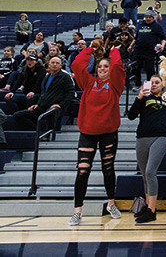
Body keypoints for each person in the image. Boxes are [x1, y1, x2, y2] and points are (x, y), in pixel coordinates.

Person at [69, 41, 126, 226]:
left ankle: (111, 203)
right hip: (88, 132)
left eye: (105, 66)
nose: (102, 69)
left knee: (108, 169)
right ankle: (77, 211)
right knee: (83, 170)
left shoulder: (116, 85)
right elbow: (77, 65)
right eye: (100, 66)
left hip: (108, 133)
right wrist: (90, 50)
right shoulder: (88, 82)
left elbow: (117, 65)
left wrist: (115, 51)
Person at [128, 76, 166, 223]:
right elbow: (131, 115)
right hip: (142, 137)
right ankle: (147, 206)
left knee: (151, 172)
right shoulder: (144, 99)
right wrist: (139, 97)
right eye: (151, 83)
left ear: (162, 85)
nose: (153, 85)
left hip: (160, 137)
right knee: (144, 174)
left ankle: (152, 211)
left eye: (157, 83)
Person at [12, 56, 74, 131]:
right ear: (49, 65)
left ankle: (46, 135)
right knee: (17, 115)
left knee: (51, 112)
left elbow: (70, 93)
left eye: (57, 63)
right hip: (42, 106)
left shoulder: (65, 77)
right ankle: (37, 130)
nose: (55, 64)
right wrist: (37, 104)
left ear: (60, 66)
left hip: (55, 108)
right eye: (53, 63)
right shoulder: (46, 77)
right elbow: (43, 93)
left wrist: (61, 105)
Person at [129, 9, 165, 89]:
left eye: (150, 17)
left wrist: (162, 46)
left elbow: (163, 38)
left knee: (150, 69)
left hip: (150, 51)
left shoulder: (157, 26)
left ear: (153, 18)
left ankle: (149, 86)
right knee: (136, 68)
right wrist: (131, 46)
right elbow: (136, 37)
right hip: (138, 49)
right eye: (146, 17)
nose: (148, 19)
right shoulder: (140, 24)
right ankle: (138, 84)